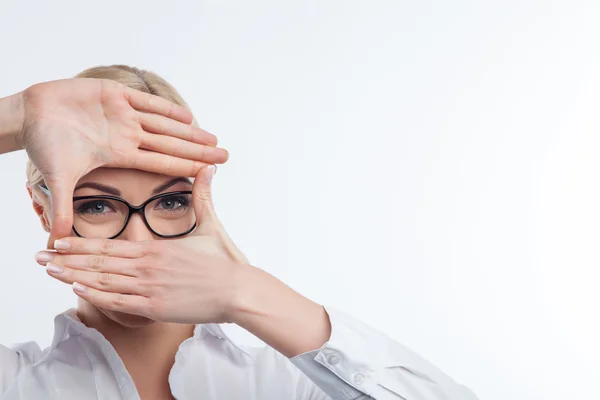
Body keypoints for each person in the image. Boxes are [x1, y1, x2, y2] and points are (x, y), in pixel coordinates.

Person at [0, 65, 478, 400]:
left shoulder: (294, 384)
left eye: (170, 201)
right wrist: (16, 116)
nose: (139, 242)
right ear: (44, 212)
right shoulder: (14, 383)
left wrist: (248, 292)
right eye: (98, 205)